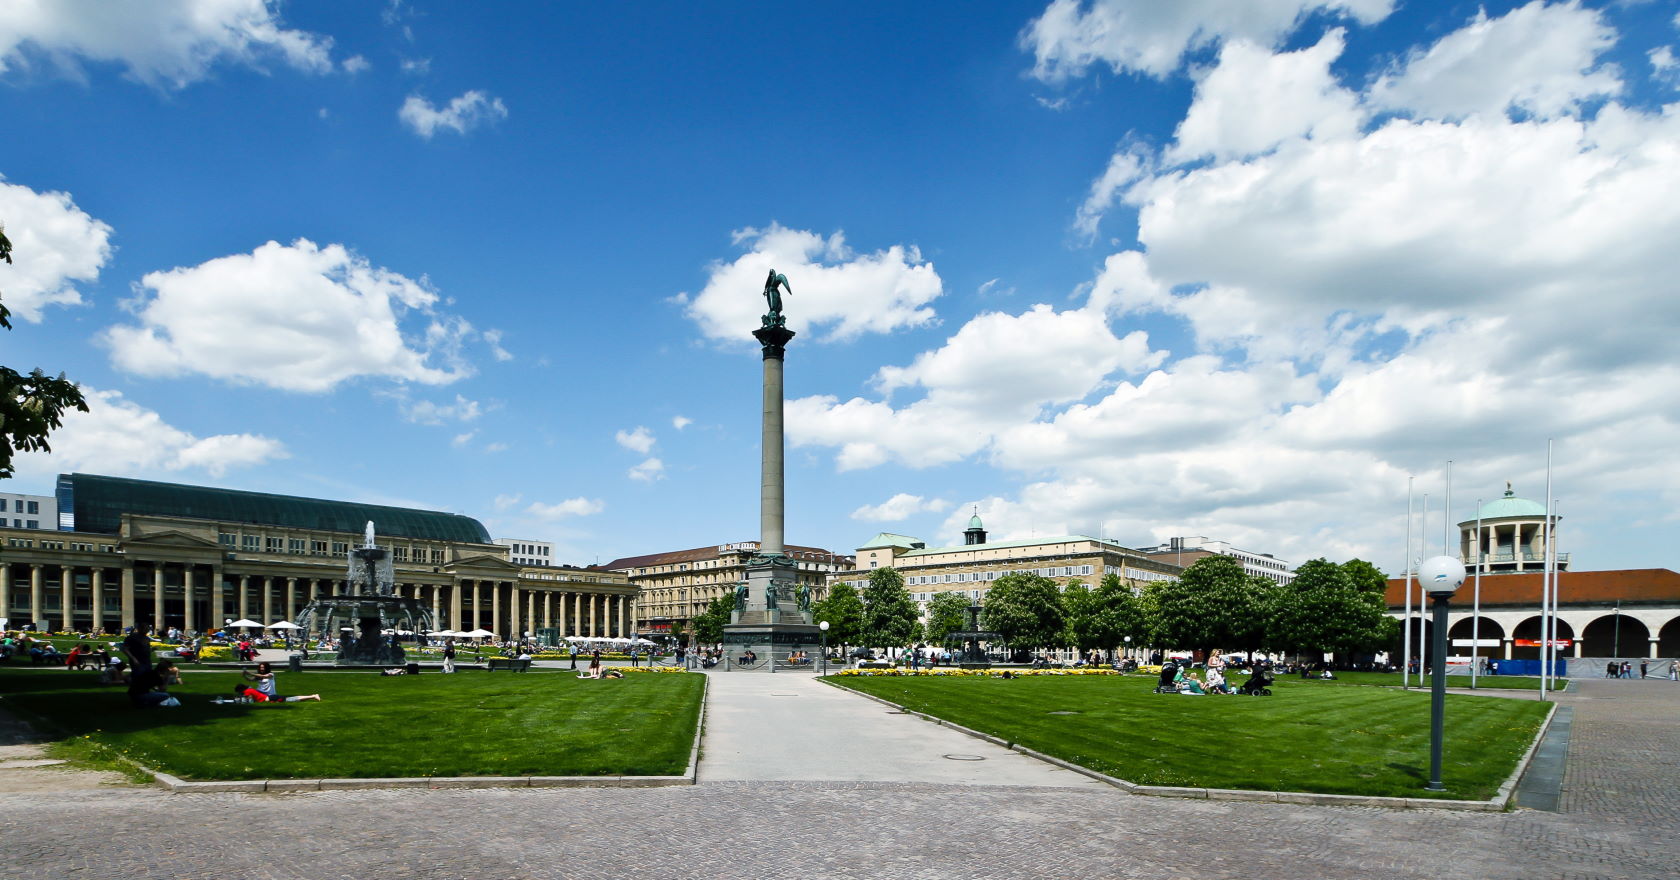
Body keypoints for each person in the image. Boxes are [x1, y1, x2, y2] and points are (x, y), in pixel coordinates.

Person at [242, 662, 321, 702]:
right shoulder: (258, 676)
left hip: (270, 694)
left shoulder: (271, 674)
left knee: (289, 699)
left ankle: (313, 696)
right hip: (261, 693)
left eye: (263, 667)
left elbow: (264, 676)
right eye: (261, 667)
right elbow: (250, 680)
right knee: (248, 689)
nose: (262, 669)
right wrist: (245, 675)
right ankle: (242, 700)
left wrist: (249, 673)